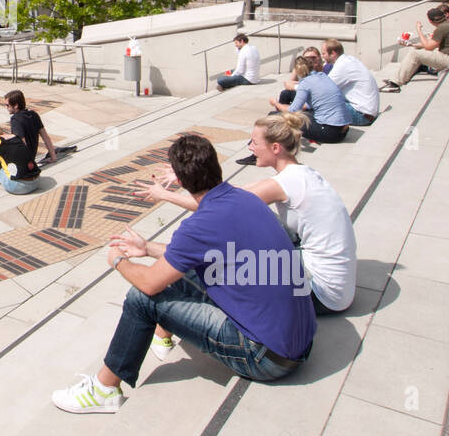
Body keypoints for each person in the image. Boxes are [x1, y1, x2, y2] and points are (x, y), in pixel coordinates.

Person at [52, 134, 315, 414]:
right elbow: (194, 253)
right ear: (216, 165)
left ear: (179, 180)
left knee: (141, 299)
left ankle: (104, 389)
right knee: (189, 270)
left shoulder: (200, 225)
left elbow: (150, 284)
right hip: (300, 340)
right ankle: (161, 337)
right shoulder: (245, 199)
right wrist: (148, 248)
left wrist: (118, 261)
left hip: (265, 356)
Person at [239, 113, 356, 315]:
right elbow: (238, 192)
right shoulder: (303, 172)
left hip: (323, 295)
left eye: (254, 142)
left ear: (275, 148)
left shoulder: (285, 183)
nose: (250, 147)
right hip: (339, 289)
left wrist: (168, 195)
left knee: (236, 250)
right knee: (259, 218)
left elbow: (225, 206)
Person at [382, 6, 449, 92]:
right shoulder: (448, 25)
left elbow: (428, 47)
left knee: (415, 54)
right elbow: (432, 45)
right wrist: (411, 44)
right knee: (415, 52)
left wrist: (419, 30)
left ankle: (395, 83)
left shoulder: (442, 28)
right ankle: (397, 78)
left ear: (430, 21)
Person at [323, 38, 380, 127]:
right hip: (367, 112)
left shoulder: (342, 66)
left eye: (324, 53)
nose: (323, 56)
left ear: (333, 53)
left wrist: (295, 87)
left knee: (319, 103)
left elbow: (322, 89)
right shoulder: (349, 60)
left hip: (361, 115)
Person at [6, 89, 57, 163]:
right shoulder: (33, 114)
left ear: (16, 105)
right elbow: (45, 137)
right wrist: (53, 157)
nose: (6, 107)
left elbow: (21, 143)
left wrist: (26, 166)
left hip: (25, 161)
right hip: (32, 156)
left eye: (7, 105)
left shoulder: (16, 119)